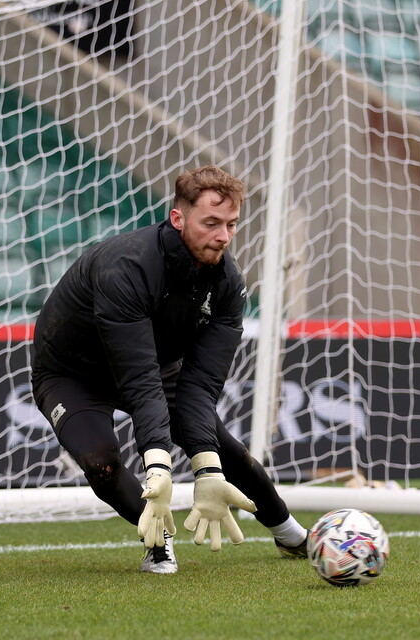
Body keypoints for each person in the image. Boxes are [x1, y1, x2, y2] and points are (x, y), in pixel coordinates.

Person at [31, 165, 308, 574]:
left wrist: (207, 469)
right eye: (211, 223)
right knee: (100, 463)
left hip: (155, 365)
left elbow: (200, 386)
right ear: (178, 218)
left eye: (231, 224)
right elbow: (140, 379)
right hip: (71, 373)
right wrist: (158, 468)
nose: (223, 236)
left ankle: (290, 532)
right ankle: (159, 543)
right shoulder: (125, 266)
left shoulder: (228, 284)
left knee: (223, 447)